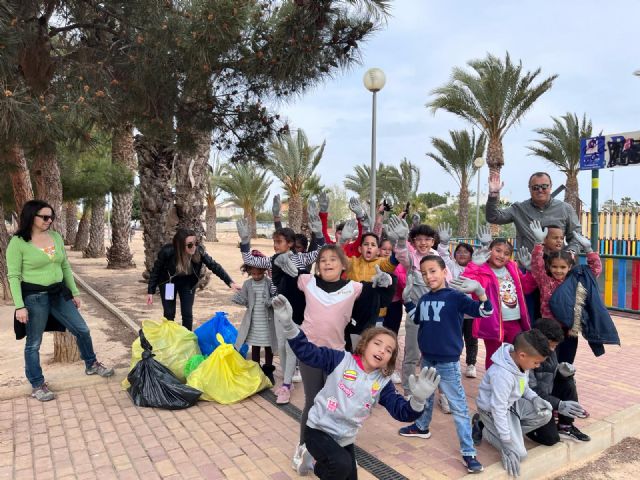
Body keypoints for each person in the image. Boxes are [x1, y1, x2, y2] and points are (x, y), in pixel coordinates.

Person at [272, 294, 440, 479]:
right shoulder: (340, 359)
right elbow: (308, 353)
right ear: (364, 344)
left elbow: (401, 412)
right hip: (317, 430)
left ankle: (312, 463)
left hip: (344, 438)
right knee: (340, 466)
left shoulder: (383, 384)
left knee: (348, 475)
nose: (382, 350)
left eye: (389, 350)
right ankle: (313, 460)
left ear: (389, 361)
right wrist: (289, 326)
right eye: (377, 344)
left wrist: (418, 400)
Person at [7, 200, 114, 402]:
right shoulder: (18, 242)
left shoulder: (55, 237)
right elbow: (13, 276)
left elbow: (65, 266)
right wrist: (19, 306)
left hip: (59, 294)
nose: (50, 220)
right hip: (34, 297)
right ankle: (37, 383)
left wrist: (74, 292)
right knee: (34, 343)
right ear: (32, 216)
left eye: (51, 217)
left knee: (82, 329)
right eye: (45, 217)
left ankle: (91, 364)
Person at [398, 255, 493, 474]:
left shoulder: (455, 297)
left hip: (448, 363)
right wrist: (407, 300)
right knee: (426, 397)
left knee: (459, 408)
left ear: (444, 272)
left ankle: (469, 453)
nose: (428, 276)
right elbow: (418, 318)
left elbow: (485, 311)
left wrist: (480, 291)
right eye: (424, 273)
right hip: (427, 358)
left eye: (432, 271)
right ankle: (421, 426)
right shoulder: (424, 299)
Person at [473, 329, 554, 477]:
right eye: (536, 362)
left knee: (545, 413)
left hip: (511, 405)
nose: (537, 366)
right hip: (492, 411)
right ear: (522, 355)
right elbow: (498, 408)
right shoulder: (502, 375)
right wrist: (506, 442)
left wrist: (535, 399)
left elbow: (524, 388)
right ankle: (487, 431)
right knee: (520, 454)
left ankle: (506, 433)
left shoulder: (520, 362)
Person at [529, 220, 602, 363]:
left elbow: (595, 271)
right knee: (547, 361)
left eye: (563, 267)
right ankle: (548, 384)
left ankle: (565, 382)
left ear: (569, 267)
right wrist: (538, 243)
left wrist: (589, 250)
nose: (558, 270)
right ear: (549, 267)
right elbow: (537, 265)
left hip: (569, 328)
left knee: (566, 361)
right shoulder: (545, 281)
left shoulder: (575, 281)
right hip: (548, 328)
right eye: (554, 267)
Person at [461, 238, 537, 369]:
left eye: (506, 253)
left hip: (514, 322)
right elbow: (467, 284)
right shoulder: (482, 270)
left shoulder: (512, 268)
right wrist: (474, 265)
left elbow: (527, 287)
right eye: (498, 250)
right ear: (490, 251)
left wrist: (530, 270)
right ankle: (491, 386)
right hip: (493, 323)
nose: (501, 255)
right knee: (494, 356)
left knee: (517, 355)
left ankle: (513, 385)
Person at [147, 228, 240, 331]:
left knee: (187, 313)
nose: (194, 247)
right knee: (169, 313)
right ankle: (169, 338)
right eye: (190, 245)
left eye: (196, 243)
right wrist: (151, 291)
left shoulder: (199, 251)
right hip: (170, 284)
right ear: (180, 246)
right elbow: (156, 270)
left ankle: (187, 339)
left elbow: (214, 266)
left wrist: (230, 282)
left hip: (187, 283)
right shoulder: (167, 252)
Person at [437, 223, 493, 378]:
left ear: (471, 255)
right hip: (454, 310)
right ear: (454, 255)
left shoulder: (478, 267)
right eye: (459, 252)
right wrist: (443, 243)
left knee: (472, 339)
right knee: (453, 336)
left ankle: (471, 364)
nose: (462, 254)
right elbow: (442, 255)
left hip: (472, 310)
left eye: (465, 252)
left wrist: (486, 245)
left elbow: (487, 260)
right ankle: (453, 361)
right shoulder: (449, 266)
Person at [523, 318, 591, 445]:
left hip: (545, 395)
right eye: (552, 345)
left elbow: (550, 375)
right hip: (531, 401)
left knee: (568, 381)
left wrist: (562, 372)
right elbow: (529, 391)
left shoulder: (549, 350)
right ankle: (526, 427)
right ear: (540, 341)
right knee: (551, 439)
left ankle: (566, 425)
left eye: (555, 346)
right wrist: (559, 404)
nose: (553, 349)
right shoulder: (526, 355)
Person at [485, 172, 583, 253]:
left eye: (544, 186)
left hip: (556, 269)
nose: (540, 190)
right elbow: (493, 217)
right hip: (527, 268)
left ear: (550, 187)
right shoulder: (519, 209)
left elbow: (576, 235)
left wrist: (571, 251)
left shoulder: (565, 208)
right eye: (535, 187)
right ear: (529, 188)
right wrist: (493, 195)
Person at [232, 252, 278, 386]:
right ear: (249, 271)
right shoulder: (247, 284)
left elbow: (275, 296)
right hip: (254, 322)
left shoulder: (269, 283)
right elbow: (245, 299)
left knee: (269, 346)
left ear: (264, 271)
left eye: (259, 274)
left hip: (267, 321)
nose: (257, 276)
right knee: (256, 345)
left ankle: (268, 370)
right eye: (254, 274)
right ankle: (256, 369)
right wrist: (238, 298)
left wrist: (270, 301)